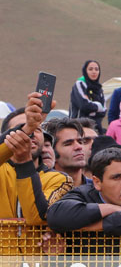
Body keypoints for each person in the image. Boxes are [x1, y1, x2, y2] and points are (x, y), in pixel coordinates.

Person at [0, 94, 73, 223]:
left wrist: (24, 162)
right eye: (22, 128)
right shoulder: (2, 170)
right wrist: (27, 128)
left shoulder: (59, 179)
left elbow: (35, 218)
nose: (31, 133)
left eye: (37, 129)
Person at [45, 118, 91, 187]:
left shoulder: (98, 191)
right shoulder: (42, 191)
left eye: (80, 142)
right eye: (68, 144)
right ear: (52, 153)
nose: (78, 147)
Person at [69, 59, 106, 131]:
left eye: (96, 69)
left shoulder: (99, 89)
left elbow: (104, 111)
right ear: (85, 71)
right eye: (90, 69)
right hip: (78, 127)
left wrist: (91, 107)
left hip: (95, 128)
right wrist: (98, 106)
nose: (94, 72)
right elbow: (84, 105)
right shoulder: (80, 84)